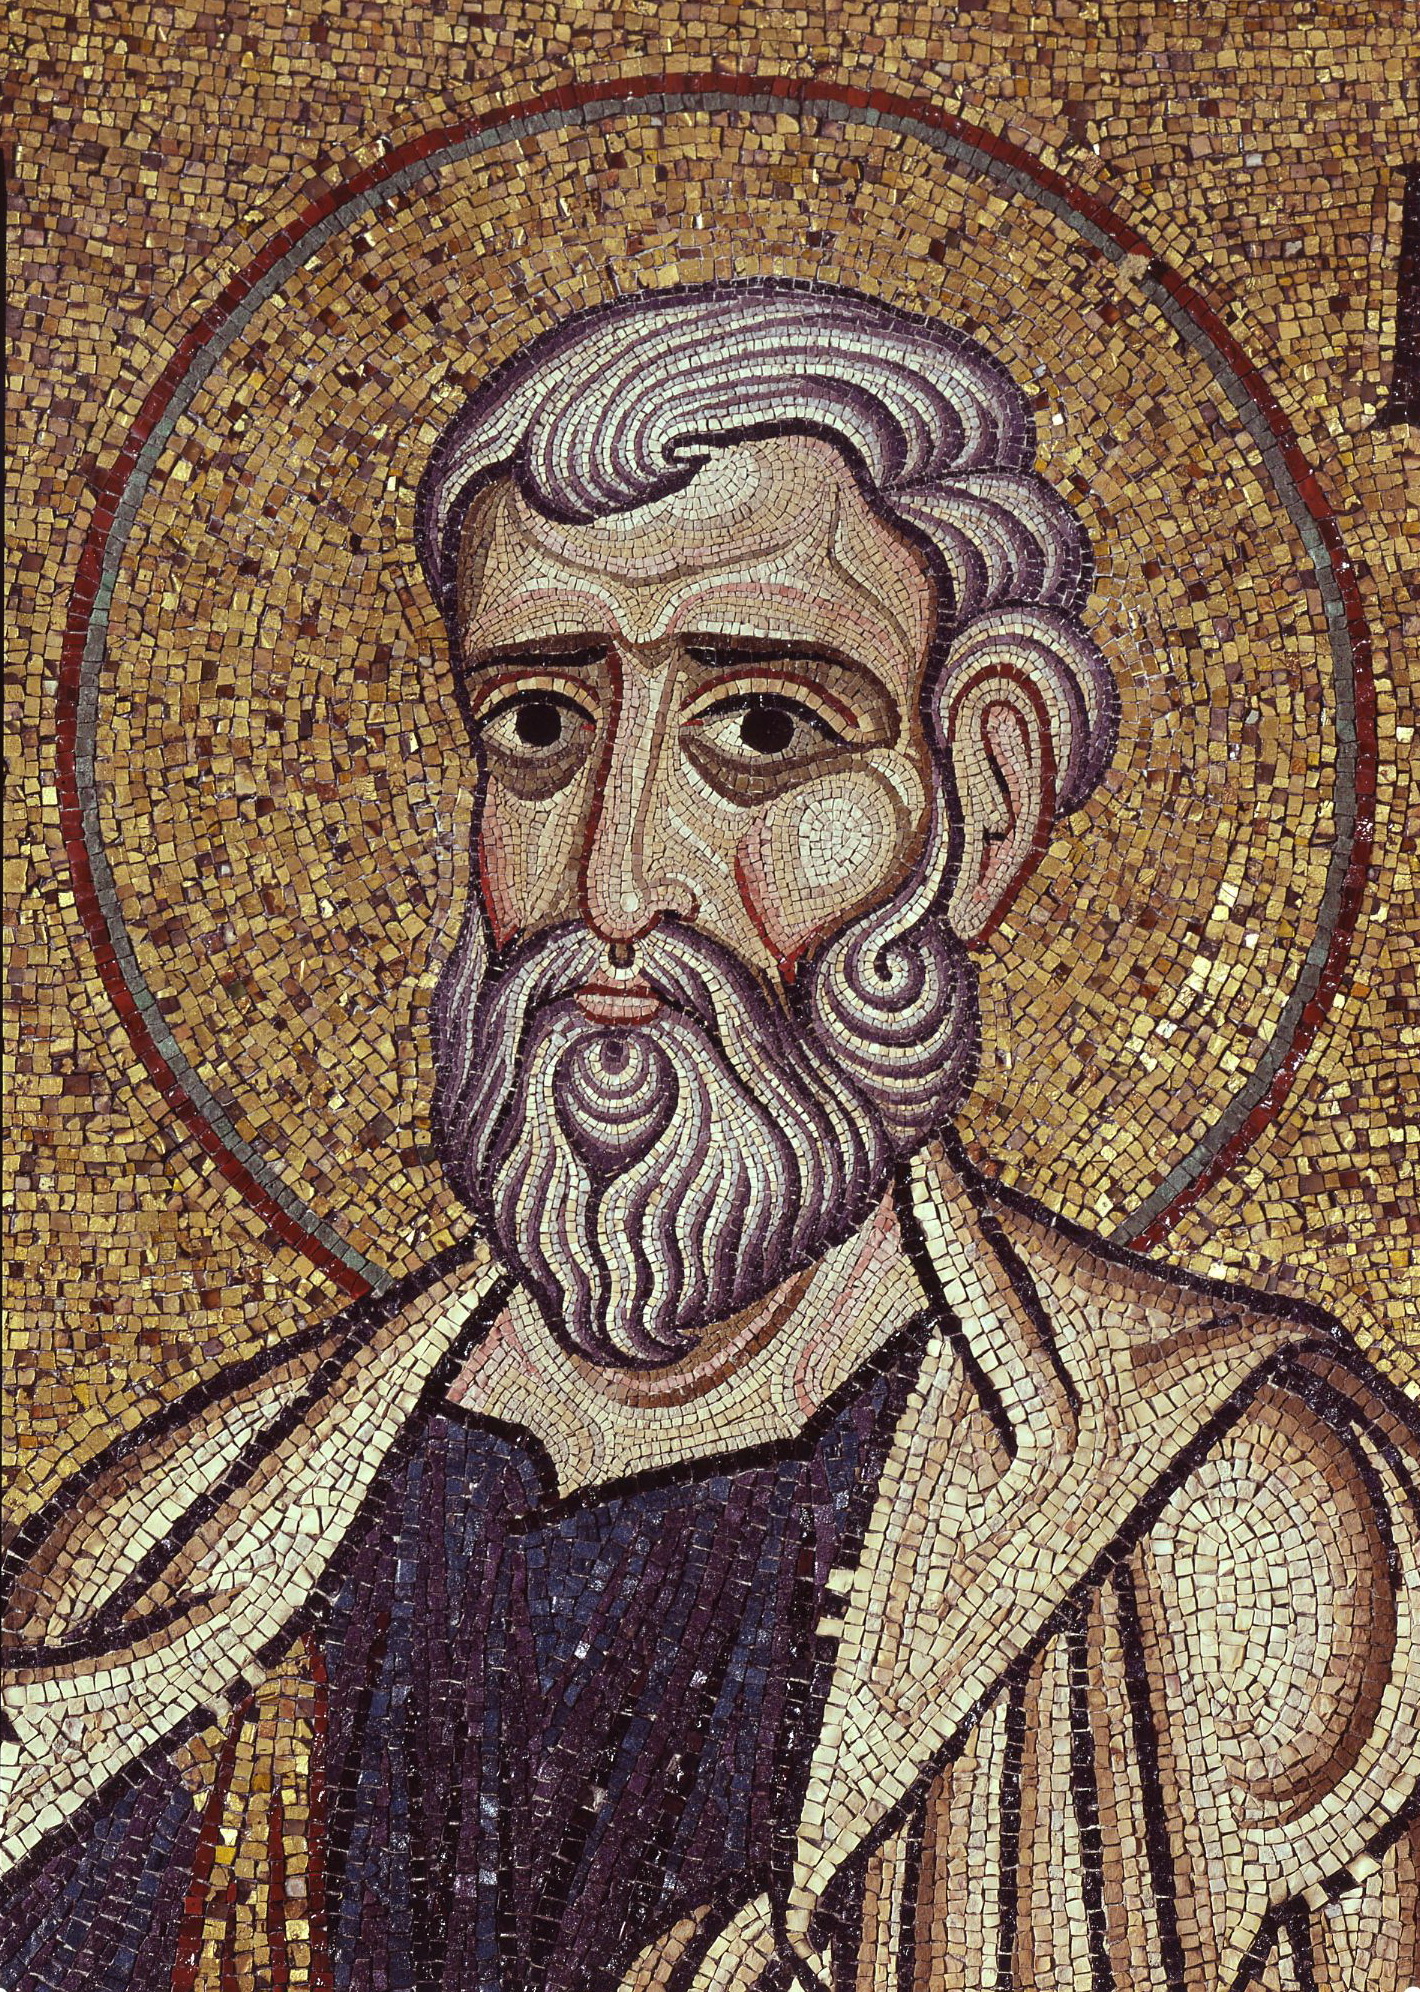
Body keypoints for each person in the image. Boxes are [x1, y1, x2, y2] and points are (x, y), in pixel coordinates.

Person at [3, 283, 1416, 1991]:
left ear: (981, 796)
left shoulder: (1227, 1534)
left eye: (762, 728)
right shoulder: (158, 1569)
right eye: (539, 724)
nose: (615, 883)